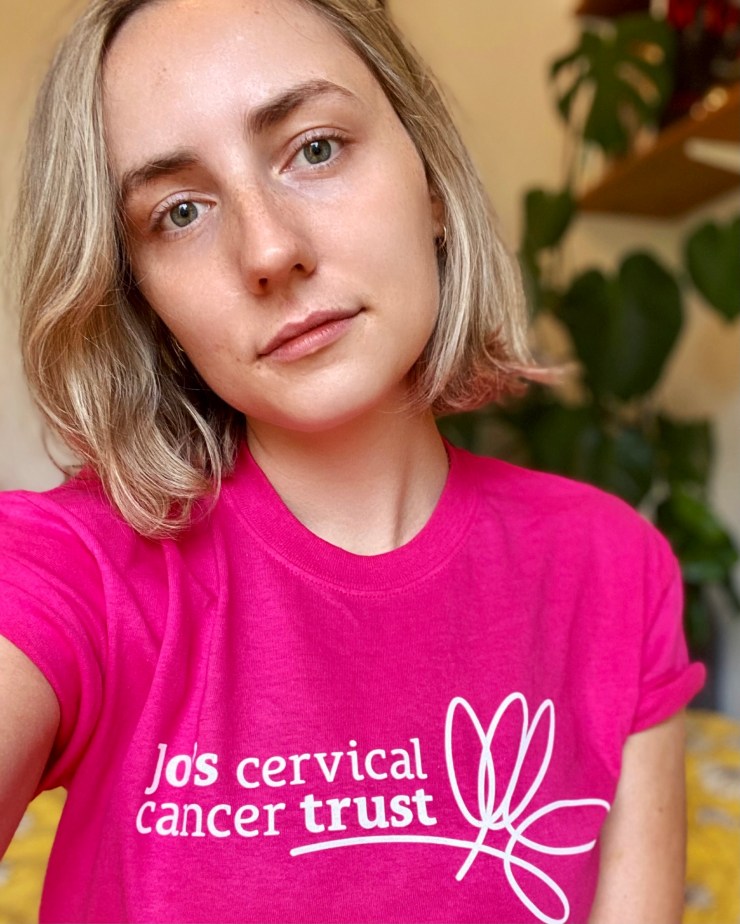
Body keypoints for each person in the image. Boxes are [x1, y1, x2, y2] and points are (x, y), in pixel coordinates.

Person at [0, 0, 704, 921]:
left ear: (432, 183)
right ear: (147, 306)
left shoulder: (613, 567)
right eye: (180, 212)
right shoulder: (68, 568)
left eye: (316, 148)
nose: (269, 250)